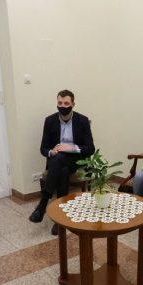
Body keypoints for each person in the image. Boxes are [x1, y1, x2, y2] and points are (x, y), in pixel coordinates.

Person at [28, 89, 95, 235]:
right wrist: (51, 152)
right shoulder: (50, 120)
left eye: (66, 103)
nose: (62, 106)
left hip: (77, 159)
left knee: (59, 161)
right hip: (58, 160)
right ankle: (60, 219)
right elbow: (43, 148)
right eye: (60, 103)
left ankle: (43, 204)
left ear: (73, 104)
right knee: (62, 169)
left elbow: (90, 149)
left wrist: (71, 148)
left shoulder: (82, 120)